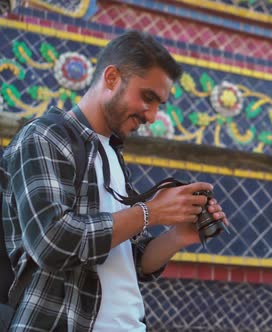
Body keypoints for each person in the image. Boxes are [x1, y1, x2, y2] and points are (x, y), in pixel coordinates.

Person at [0, 30, 228, 331]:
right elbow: (51, 242)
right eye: (148, 97)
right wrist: (150, 212)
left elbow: (129, 261)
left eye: (160, 104)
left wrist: (178, 235)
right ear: (111, 78)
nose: (153, 116)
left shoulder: (112, 155)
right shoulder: (44, 136)